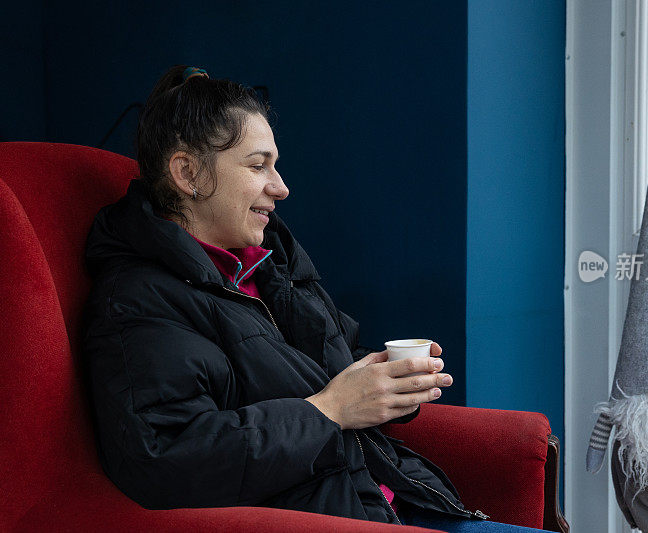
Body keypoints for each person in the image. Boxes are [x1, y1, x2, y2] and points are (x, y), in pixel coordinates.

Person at [82, 65, 549, 532]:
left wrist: (386, 380)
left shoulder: (271, 266)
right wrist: (329, 410)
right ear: (187, 173)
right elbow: (165, 463)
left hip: (388, 500)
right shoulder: (137, 301)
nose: (280, 187)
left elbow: (335, 365)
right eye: (257, 165)